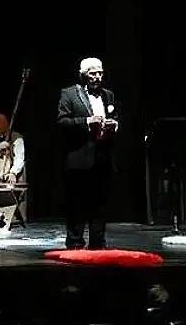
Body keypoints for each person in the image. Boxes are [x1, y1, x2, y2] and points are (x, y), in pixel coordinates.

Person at [57, 57, 119, 250]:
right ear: (83, 75)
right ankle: (75, 243)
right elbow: (62, 122)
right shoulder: (69, 93)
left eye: (100, 73)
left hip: (102, 156)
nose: (97, 77)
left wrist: (114, 125)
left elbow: (114, 116)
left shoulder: (108, 95)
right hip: (80, 157)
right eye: (93, 73)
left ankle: (98, 244)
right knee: (77, 204)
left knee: (100, 204)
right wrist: (86, 121)